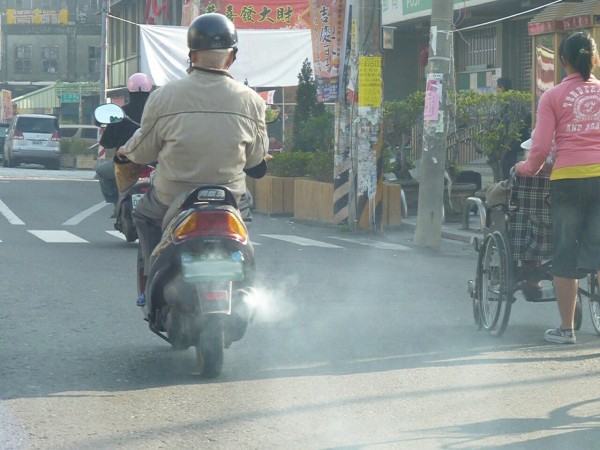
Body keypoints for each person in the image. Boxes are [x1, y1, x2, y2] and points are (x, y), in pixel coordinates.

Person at [116, 13, 269, 306]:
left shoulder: (164, 96)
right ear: (231, 57)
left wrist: (126, 153)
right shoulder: (252, 100)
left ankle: (151, 281)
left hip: (171, 197)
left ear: (192, 55)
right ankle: (246, 281)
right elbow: (256, 158)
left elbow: (144, 150)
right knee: (243, 227)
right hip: (229, 198)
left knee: (144, 217)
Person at [515, 31, 600, 344]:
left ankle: (567, 329)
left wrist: (525, 169)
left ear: (563, 61)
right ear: (594, 58)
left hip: (567, 180)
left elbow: (538, 150)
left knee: (565, 251)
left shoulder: (551, 97)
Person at [96, 72, 153, 216]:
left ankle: (116, 202)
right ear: (150, 89)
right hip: (157, 162)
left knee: (102, 171)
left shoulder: (122, 113)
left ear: (129, 90)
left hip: (126, 163)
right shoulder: (158, 111)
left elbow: (107, 142)